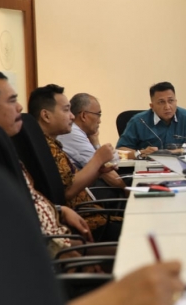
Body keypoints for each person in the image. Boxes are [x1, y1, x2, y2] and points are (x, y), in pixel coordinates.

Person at [0, 160, 185, 305]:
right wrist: (115, 301)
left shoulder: (0, 178)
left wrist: (59, 211)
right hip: (57, 289)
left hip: (58, 271)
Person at [0, 73, 96, 258]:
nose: (20, 107)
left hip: (60, 238)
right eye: (12, 100)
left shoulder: (7, 149)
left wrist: (59, 210)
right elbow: (15, 232)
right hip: (50, 254)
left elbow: (29, 204)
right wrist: (66, 254)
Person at [28, 84, 122, 240]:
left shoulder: (51, 143)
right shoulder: (46, 148)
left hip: (93, 215)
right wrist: (98, 159)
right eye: (66, 110)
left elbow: (72, 182)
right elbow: (67, 192)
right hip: (88, 223)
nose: (72, 116)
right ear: (46, 116)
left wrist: (97, 171)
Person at [57, 93, 126, 190]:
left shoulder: (78, 132)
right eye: (98, 115)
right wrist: (126, 190)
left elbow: (107, 162)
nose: (99, 121)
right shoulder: (73, 133)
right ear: (83, 116)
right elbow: (105, 171)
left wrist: (95, 142)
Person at [116, 82, 186, 158]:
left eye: (170, 101)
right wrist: (140, 153)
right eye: (161, 102)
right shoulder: (139, 121)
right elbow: (119, 152)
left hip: (181, 168)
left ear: (176, 101)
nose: (167, 107)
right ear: (152, 106)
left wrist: (170, 153)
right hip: (146, 169)